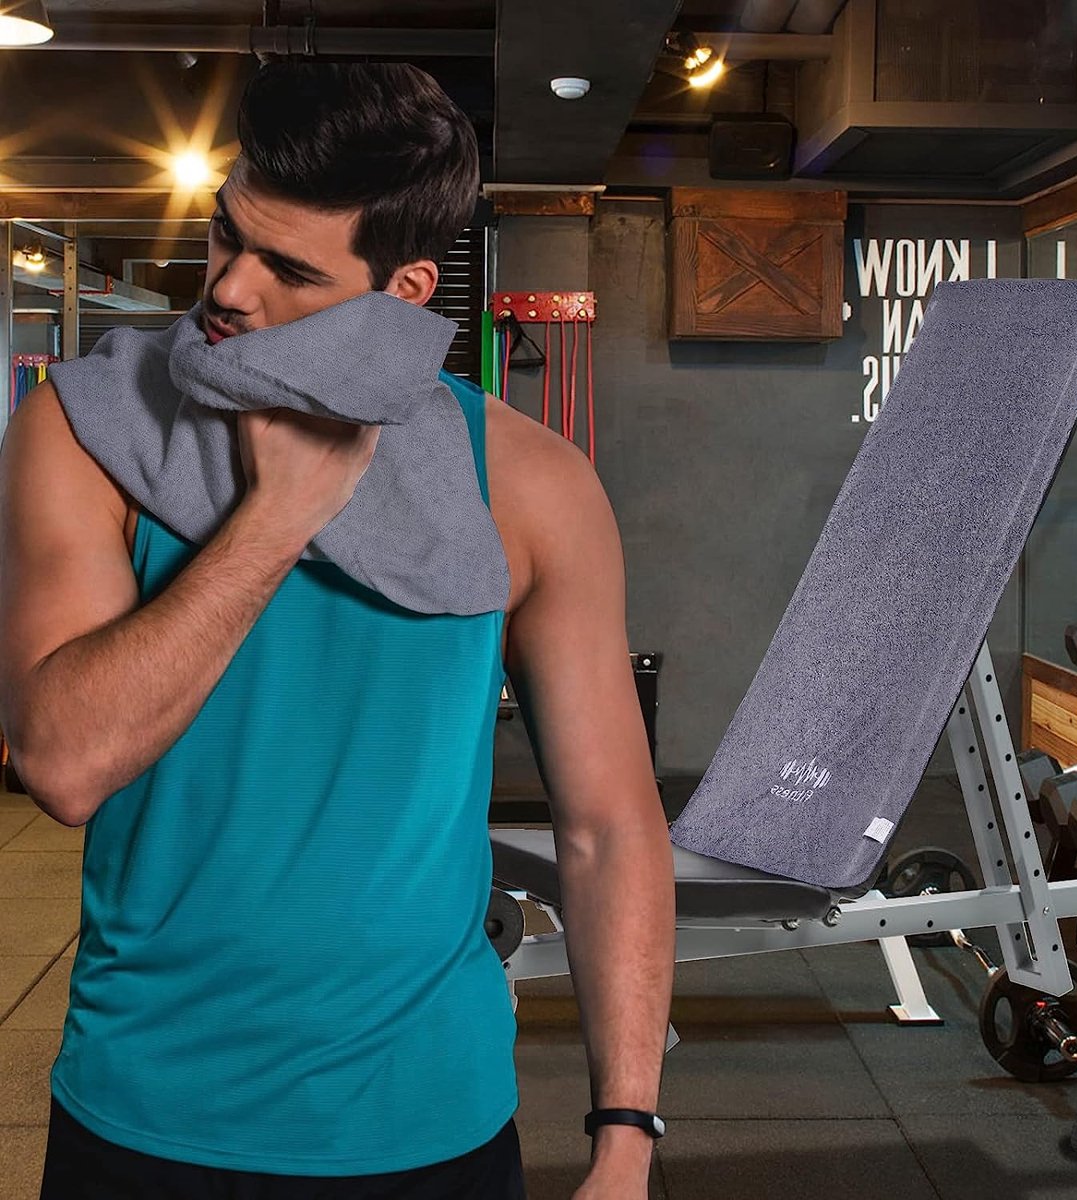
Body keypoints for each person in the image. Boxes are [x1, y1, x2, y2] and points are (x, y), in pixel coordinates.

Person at [0, 61, 676, 1200]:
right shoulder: (83, 428)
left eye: (291, 268)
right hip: (152, 1108)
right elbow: (62, 766)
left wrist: (625, 1137)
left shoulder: (531, 484)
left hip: (431, 1116)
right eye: (228, 234)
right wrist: (274, 520)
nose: (230, 288)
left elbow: (610, 827)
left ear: (402, 290)